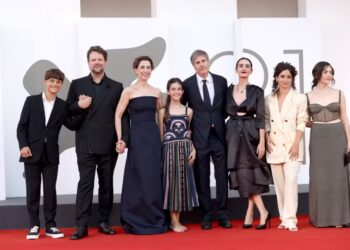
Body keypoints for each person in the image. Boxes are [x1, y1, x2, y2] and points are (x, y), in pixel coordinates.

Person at [66, 46, 129, 240]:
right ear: (88, 62)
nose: (97, 63)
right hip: (85, 143)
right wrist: (79, 105)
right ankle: (81, 225)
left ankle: (104, 221)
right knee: (85, 184)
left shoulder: (117, 86)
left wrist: (123, 139)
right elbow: (67, 111)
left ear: (106, 62)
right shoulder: (77, 84)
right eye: (93, 60)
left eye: (100, 59)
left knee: (106, 184)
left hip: (109, 143)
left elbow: (123, 116)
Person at [17, 69, 79, 240]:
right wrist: (23, 145)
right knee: (33, 190)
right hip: (31, 153)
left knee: (50, 191)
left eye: (58, 82)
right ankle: (34, 225)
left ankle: (51, 225)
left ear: (61, 85)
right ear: (45, 82)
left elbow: (72, 125)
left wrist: (82, 108)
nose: (55, 84)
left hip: (51, 154)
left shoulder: (62, 105)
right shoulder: (31, 101)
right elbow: (21, 127)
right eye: (52, 81)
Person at [115, 55, 168, 235]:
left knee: (153, 177)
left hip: (153, 137)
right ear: (135, 69)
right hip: (137, 137)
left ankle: (155, 217)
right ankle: (135, 217)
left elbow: (160, 115)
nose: (145, 70)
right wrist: (120, 138)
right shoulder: (128, 91)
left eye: (148, 67)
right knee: (138, 176)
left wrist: (162, 139)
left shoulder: (156, 92)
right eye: (142, 67)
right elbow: (118, 115)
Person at [182, 50, 232, 230]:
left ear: (209, 62)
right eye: (197, 62)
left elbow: (226, 107)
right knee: (202, 177)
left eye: (204, 61)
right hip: (199, 137)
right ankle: (206, 215)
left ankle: (223, 214)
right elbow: (183, 107)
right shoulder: (187, 84)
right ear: (193, 65)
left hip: (219, 135)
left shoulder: (221, 81)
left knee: (221, 177)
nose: (201, 64)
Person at [226, 57, 272, 230]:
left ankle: (259, 211)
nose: (244, 68)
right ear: (236, 69)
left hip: (251, 133)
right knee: (241, 172)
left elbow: (260, 117)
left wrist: (262, 141)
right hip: (232, 134)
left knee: (251, 172)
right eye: (241, 66)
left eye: (247, 66)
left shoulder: (257, 91)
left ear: (251, 70)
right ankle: (253, 211)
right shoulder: (228, 90)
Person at [306, 61, 350, 227]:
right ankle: (321, 219)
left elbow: (345, 118)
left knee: (339, 177)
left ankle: (341, 218)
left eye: (331, 72)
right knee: (319, 176)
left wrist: (349, 142)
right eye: (326, 72)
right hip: (318, 138)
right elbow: (305, 120)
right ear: (317, 73)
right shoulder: (308, 95)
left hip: (337, 136)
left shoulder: (339, 93)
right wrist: (316, 125)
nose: (329, 75)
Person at [265, 62, 308, 231]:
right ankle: (283, 218)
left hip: (292, 145)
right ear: (276, 78)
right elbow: (266, 120)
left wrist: (297, 143)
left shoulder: (299, 98)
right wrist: (267, 136)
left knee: (291, 181)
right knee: (280, 185)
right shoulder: (269, 98)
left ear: (293, 79)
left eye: (289, 77)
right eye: (282, 76)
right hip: (275, 145)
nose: (285, 80)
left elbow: (302, 121)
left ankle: (291, 219)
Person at [159, 78, 199, 233]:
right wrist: (161, 156)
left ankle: (177, 220)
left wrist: (193, 149)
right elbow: (161, 135)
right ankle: (173, 222)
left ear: (182, 92)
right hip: (169, 150)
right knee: (171, 185)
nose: (176, 92)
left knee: (183, 184)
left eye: (179, 89)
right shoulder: (163, 111)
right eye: (173, 89)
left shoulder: (188, 111)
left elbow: (189, 132)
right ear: (168, 91)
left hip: (186, 149)